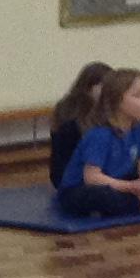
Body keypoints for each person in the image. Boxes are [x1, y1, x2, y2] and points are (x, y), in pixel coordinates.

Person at [55, 68, 140, 220]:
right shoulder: (100, 134)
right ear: (116, 101)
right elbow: (92, 178)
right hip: (81, 188)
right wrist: (130, 186)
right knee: (103, 196)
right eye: (137, 95)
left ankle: (134, 200)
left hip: (115, 180)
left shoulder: (138, 127)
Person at [45, 61, 111, 189]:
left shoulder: (66, 106)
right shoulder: (76, 116)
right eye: (105, 86)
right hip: (74, 177)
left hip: (66, 175)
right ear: (90, 87)